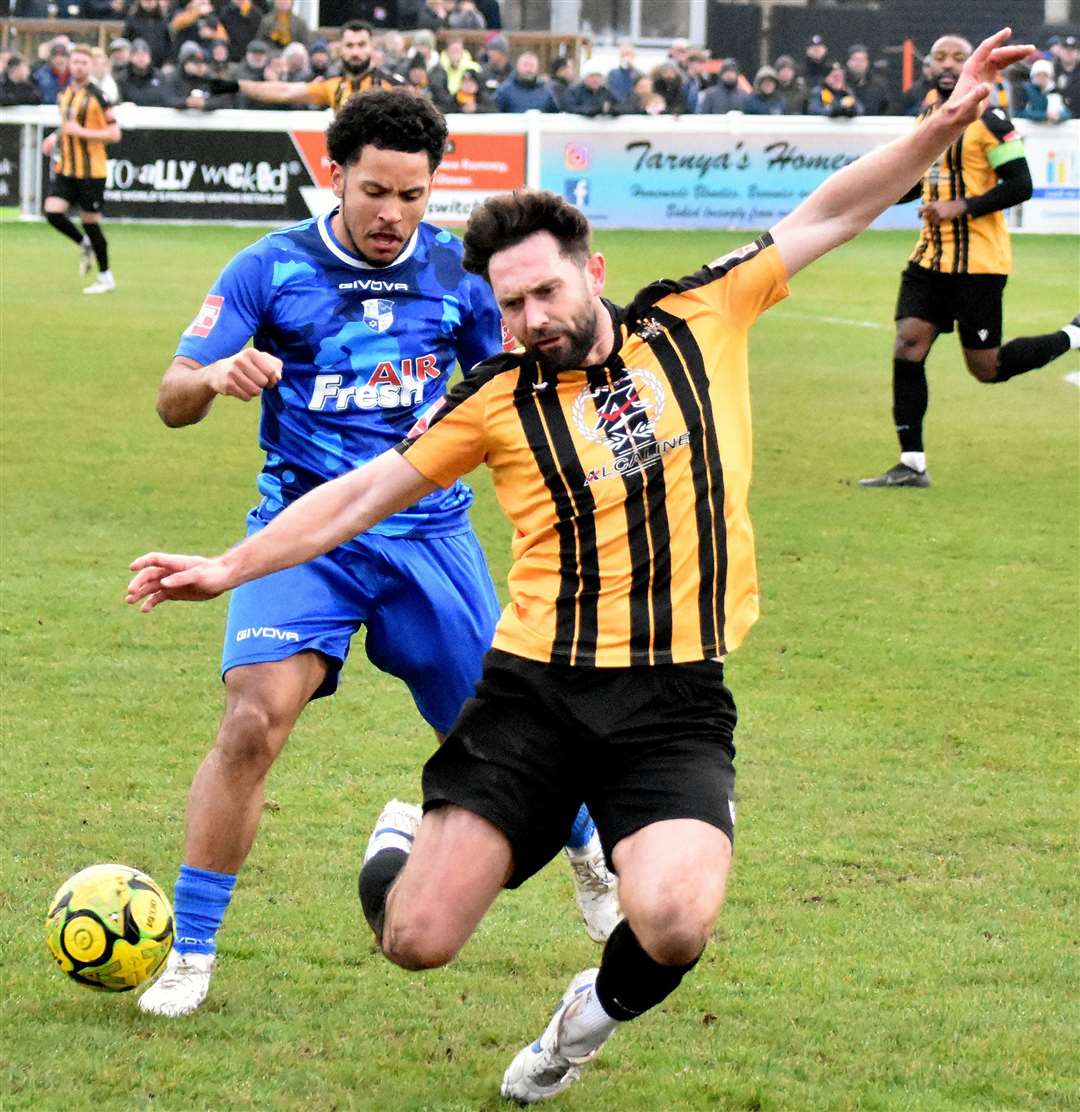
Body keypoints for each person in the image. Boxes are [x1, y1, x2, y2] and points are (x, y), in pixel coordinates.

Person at [127, 30, 1033, 1105]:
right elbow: (359, 494)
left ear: (590, 272)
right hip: (534, 690)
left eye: (545, 295)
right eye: (509, 308)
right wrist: (230, 564)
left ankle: (575, 1027)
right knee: (412, 935)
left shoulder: (696, 317)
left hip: (669, 693)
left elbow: (833, 208)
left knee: (679, 919)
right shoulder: (493, 398)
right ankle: (370, 856)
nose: (529, 321)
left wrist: (941, 123)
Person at [130, 90, 618, 1020]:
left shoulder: (459, 273)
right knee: (251, 721)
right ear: (337, 176)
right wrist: (212, 375)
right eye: (375, 192)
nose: (394, 214)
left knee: (496, 745)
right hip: (300, 535)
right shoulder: (270, 269)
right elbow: (169, 398)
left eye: (413, 194)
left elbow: (526, 375)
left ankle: (587, 846)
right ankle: (191, 953)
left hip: (430, 536)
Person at [860, 34, 1080, 488]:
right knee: (908, 343)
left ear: (975, 66)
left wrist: (960, 207)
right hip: (929, 257)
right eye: (939, 56)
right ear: (928, 65)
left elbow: (1020, 184)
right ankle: (912, 463)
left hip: (979, 263)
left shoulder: (992, 119)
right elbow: (922, 181)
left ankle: (1073, 334)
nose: (948, 64)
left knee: (986, 368)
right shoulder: (928, 116)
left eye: (959, 57)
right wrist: (871, 198)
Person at [41, 43, 120, 295]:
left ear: (91, 66)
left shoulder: (98, 96)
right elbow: (67, 125)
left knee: (90, 221)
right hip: (67, 167)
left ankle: (106, 276)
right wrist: (56, 137)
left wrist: (82, 133)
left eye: (83, 63)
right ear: (69, 64)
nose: (78, 66)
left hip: (91, 172)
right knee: (52, 212)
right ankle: (84, 243)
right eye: (75, 62)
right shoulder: (64, 93)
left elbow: (114, 133)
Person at [213, 20, 405, 110]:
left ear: (372, 48)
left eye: (361, 45)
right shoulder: (335, 86)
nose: (355, 52)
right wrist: (237, 86)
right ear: (340, 49)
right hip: (349, 174)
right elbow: (285, 92)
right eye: (350, 45)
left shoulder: (393, 87)